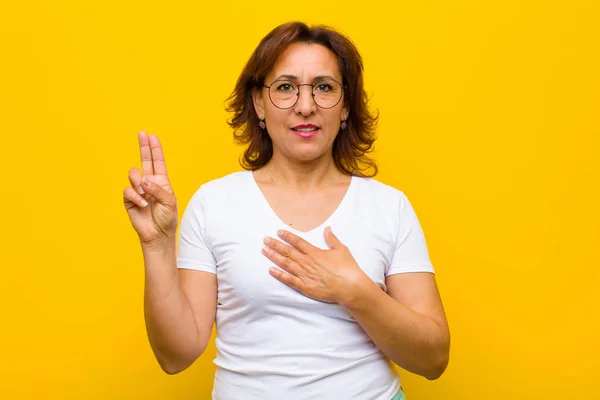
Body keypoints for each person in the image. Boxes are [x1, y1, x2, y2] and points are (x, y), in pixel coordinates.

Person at [123, 21, 450, 400]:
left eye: (324, 87)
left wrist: (355, 291)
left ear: (345, 107)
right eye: (285, 88)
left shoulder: (388, 206)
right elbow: (174, 356)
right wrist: (158, 245)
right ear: (259, 104)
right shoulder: (214, 203)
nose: (306, 106)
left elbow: (434, 359)